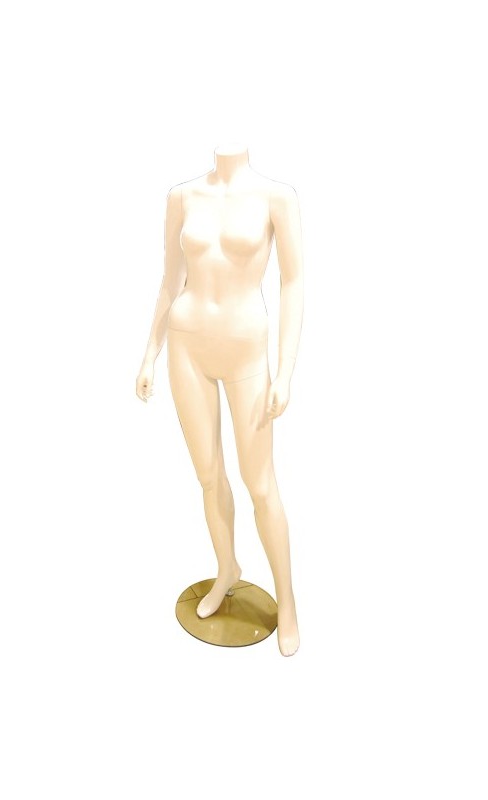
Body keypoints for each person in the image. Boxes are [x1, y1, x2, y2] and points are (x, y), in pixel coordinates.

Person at [135, 143, 304, 657]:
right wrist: (149, 354)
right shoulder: (181, 196)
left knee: (260, 484)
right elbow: (170, 279)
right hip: (187, 343)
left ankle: (289, 603)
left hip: (245, 347)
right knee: (209, 475)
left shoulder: (276, 197)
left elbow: (293, 281)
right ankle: (227, 567)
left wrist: (285, 371)